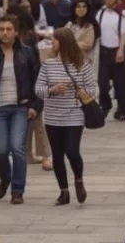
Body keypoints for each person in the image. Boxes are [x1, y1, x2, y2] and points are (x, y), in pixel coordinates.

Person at [0, 14, 42, 206]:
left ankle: (17, 190)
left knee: (17, 147)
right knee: (1, 150)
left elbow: (39, 80)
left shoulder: (27, 53)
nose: (4, 33)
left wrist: (35, 106)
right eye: (1, 29)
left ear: (16, 32)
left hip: (21, 106)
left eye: (8, 29)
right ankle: (5, 179)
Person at [34, 28, 96, 206]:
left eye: (54, 40)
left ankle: (78, 179)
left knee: (72, 150)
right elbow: (38, 89)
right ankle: (63, 191)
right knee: (58, 155)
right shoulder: (48, 65)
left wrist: (82, 92)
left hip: (74, 115)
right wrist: (52, 90)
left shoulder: (82, 65)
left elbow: (93, 88)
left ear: (64, 42)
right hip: (53, 117)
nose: (52, 43)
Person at [94, 0, 125, 122]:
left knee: (120, 84)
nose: (106, 0)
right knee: (102, 82)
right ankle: (105, 104)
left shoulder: (123, 14)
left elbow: (124, 34)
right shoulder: (101, 13)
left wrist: (121, 49)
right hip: (104, 51)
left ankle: (123, 110)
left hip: (117, 50)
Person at [68, 0, 96, 68]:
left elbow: (87, 45)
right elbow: (63, 38)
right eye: (78, 7)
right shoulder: (70, 24)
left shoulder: (89, 26)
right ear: (74, 9)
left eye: (84, 7)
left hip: (84, 61)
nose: (81, 9)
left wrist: (70, 43)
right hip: (70, 60)